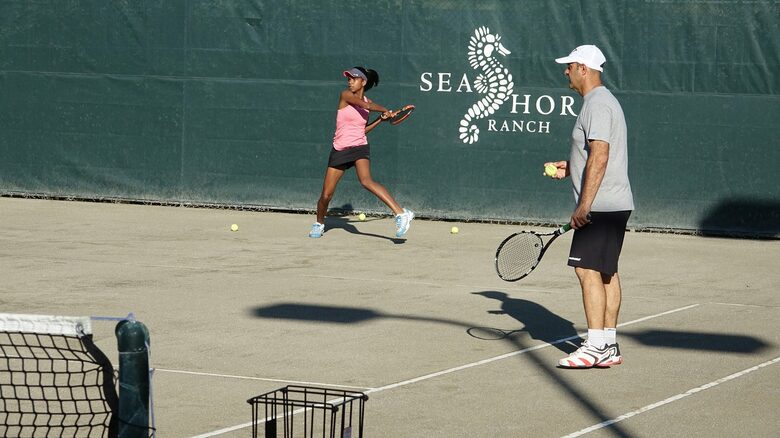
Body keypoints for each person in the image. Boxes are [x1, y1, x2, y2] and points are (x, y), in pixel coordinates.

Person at [544, 45, 634, 368]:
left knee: (586, 270)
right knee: (607, 272)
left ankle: (594, 346)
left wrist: (585, 205)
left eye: (569, 66)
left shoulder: (597, 104)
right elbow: (594, 155)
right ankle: (608, 344)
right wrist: (571, 167)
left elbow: (601, 154)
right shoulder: (603, 102)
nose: (565, 71)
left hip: (600, 205)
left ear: (583, 68)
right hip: (614, 202)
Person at [309, 67, 414, 238]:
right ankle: (319, 223)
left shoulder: (368, 102)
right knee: (326, 195)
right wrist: (385, 110)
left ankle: (401, 214)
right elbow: (366, 105)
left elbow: (361, 130)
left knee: (366, 181)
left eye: (354, 78)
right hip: (340, 149)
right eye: (349, 79)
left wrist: (380, 119)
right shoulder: (346, 95)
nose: (350, 81)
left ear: (363, 82)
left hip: (359, 146)